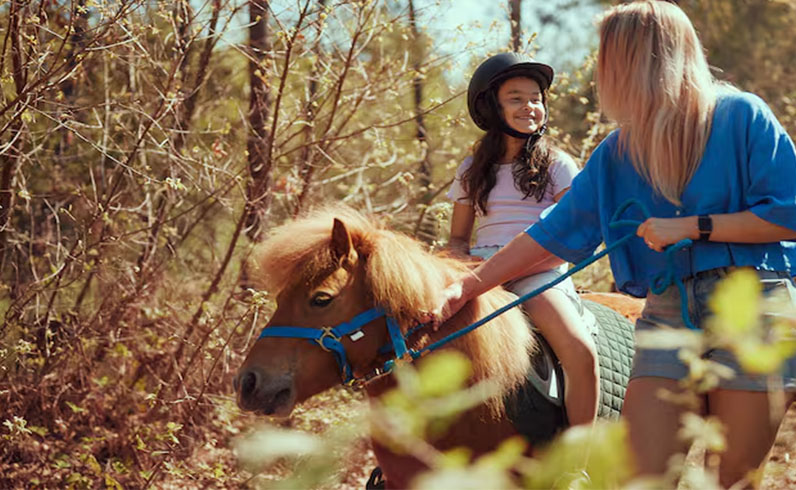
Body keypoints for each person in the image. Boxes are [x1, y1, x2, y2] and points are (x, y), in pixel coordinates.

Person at [432, 2, 796, 487]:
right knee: (640, 477)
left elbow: (788, 213)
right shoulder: (616, 153)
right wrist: (469, 287)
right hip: (668, 310)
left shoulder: (741, 115)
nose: (604, 70)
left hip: (753, 303)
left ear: (649, 57)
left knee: (731, 479)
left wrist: (693, 226)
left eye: (612, 55)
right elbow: (551, 235)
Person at [446, 52, 599, 427]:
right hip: (481, 271)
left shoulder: (558, 165)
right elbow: (457, 239)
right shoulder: (471, 168)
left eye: (536, 98)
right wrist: (458, 266)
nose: (530, 106)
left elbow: (573, 231)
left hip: (536, 272)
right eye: (516, 98)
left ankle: (578, 463)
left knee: (580, 353)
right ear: (492, 108)